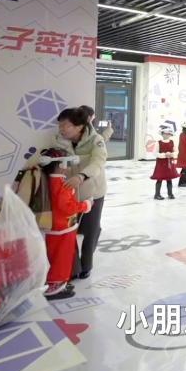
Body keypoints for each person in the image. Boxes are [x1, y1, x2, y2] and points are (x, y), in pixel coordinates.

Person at [54, 107, 107, 280]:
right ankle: (73, 267)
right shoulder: (59, 141)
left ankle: (86, 265)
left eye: (66, 125)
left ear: (79, 126)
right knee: (69, 231)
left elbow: (98, 162)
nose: (62, 129)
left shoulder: (96, 140)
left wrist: (81, 175)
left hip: (92, 192)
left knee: (90, 230)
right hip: (69, 194)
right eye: (60, 125)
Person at [38, 148, 91, 300]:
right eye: (66, 163)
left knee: (56, 256)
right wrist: (85, 205)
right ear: (61, 165)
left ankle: (59, 283)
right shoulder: (61, 183)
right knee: (62, 259)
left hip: (54, 228)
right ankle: (55, 287)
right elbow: (67, 207)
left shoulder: (48, 180)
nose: (68, 167)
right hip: (63, 228)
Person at [152, 125, 178, 200]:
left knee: (169, 179)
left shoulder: (172, 142)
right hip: (161, 164)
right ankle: (157, 194)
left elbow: (176, 151)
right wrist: (164, 155)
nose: (167, 135)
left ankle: (170, 194)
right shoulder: (158, 143)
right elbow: (155, 153)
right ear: (162, 134)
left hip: (169, 164)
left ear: (170, 134)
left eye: (168, 133)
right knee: (159, 178)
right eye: (165, 133)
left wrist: (172, 154)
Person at [174, 121, 186, 187]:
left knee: (184, 168)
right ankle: (181, 182)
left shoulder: (181, 134)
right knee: (184, 169)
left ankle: (183, 181)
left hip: (182, 153)